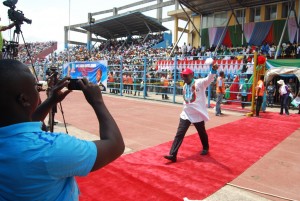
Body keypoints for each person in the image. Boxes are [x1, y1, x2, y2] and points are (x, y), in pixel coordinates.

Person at [0, 59, 125, 200]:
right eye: (36, 87)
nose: (39, 90)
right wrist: (97, 101)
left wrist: (51, 101)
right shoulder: (50, 149)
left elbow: (21, 122)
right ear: (24, 99)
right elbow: (115, 145)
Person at [164, 65, 218, 162]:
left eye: (186, 75)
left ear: (192, 75)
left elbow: (209, 79)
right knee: (179, 134)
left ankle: (205, 147)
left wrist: (213, 70)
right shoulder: (184, 85)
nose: (184, 77)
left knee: (202, 132)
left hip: (197, 114)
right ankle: (173, 155)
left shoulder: (200, 83)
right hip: (186, 114)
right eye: (183, 76)